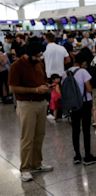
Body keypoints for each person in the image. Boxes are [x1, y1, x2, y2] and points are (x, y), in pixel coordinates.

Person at [8, 37, 53, 182]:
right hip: (27, 104)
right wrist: (35, 90)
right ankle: (25, 168)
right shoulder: (17, 66)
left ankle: (37, 163)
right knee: (27, 138)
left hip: (41, 103)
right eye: (38, 55)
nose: (40, 58)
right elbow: (12, 87)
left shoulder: (39, 63)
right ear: (29, 54)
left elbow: (42, 79)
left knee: (39, 135)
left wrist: (47, 85)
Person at [65, 52, 96, 165]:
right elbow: (89, 88)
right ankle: (87, 156)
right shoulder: (83, 72)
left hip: (73, 104)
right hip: (85, 103)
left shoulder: (65, 73)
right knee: (86, 129)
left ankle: (77, 156)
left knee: (75, 130)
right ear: (83, 62)